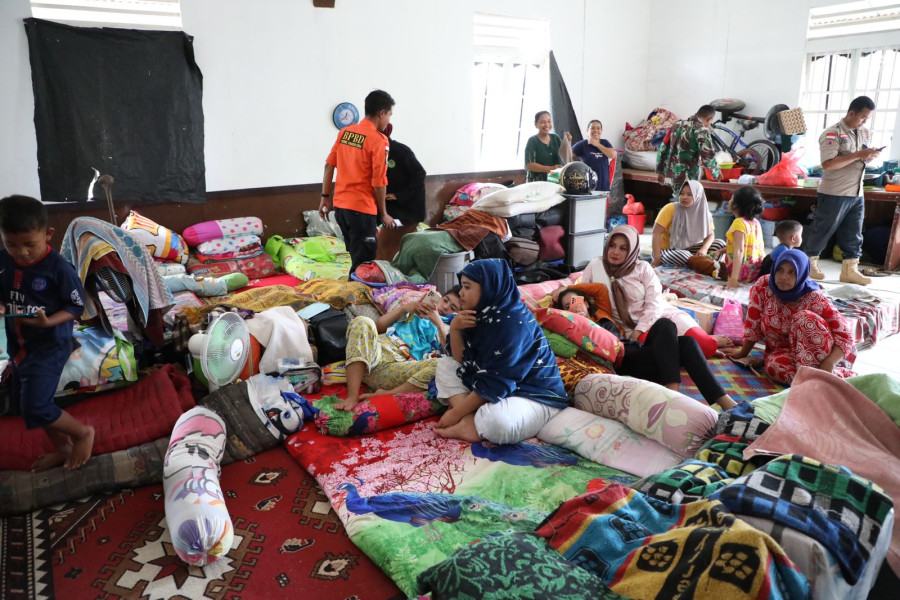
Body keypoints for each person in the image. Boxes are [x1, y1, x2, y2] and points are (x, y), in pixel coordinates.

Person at [0, 195, 94, 470]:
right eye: (11, 244)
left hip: (50, 344)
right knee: (29, 402)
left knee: (36, 407)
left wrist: (49, 322)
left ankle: (82, 434)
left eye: (30, 244)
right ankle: (62, 447)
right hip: (19, 344)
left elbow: (76, 306)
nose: (22, 252)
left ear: (48, 234)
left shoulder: (59, 268)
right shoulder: (4, 260)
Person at [433, 259, 569, 444]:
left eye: (467, 287)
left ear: (490, 287)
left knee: (497, 423)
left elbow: (496, 382)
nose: (461, 293)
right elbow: (460, 359)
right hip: (496, 389)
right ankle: (470, 419)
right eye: (461, 286)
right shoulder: (478, 313)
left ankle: (473, 422)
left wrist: (455, 412)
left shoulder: (512, 324)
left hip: (533, 396)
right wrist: (455, 329)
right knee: (445, 366)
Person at [555, 286, 737, 410]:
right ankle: (673, 395)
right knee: (665, 324)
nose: (574, 306)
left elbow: (598, 289)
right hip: (625, 361)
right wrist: (576, 319)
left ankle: (724, 402)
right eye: (567, 306)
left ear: (586, 302)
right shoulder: (574, 329)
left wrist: (564, 288)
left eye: (576, 301)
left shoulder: (602, 316)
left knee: (687, 342)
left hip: (641, 352)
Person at [580, 224, 731, 358]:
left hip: (658, 317)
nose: (615, 251)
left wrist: (639, 329)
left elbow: (654, 303)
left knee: (705, 346)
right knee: (669, 353)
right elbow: (582, 292)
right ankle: (700, 347)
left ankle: (709, 340)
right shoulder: (596, 265)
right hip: (626, 327)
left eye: (623, 248)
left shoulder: (642, 268)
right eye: (612, 245)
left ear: (632, 250)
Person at [724, 250, 855, 385]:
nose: (784, 277)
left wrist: (829, 363)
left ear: (802, 274)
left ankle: (825, 375)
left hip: (819, 353)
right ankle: (819, 381)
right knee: (773, 368)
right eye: (780, 270)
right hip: (784, 352)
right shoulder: (764, 286)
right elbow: (753, 324)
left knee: (804, 319)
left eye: (792, 272)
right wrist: (743, 353)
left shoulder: (814, 298)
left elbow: (845, 336)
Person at [336, 287, 462, 411]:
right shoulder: (415, 311)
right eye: (445, 300)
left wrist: (439, 323)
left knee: (444, 365)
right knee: (362, 321)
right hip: (372, 356)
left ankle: (388, 393)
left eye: (453, 308)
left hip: (396, 370)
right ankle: (352, 396)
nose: (446, 307)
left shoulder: (452, 329)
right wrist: (404, 308)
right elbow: (378, 326)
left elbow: (452, 353)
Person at [805, 96, 881, 285]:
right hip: (834, 191)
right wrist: (858, 155)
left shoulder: (863, 133)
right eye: (862, 117)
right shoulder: (832, 133)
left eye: (867, 119)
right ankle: (810, 264)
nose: (864, 122)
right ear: (851, 113)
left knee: (854, 232)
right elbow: (828, 164)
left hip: (856, 192)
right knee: (823, 229)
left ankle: (850, 269)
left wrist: (868, 156)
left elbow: (858, 159)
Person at [320, 90, 398, 276]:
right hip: (361, 211)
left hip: (341, 209)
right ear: (381, 113)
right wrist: (384, 213)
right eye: (389, 115)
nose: (388, 120)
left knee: (356, 257)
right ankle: (355, 300)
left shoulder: (345, 133)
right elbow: (379, 182)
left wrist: (325, 197)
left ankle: (353, 296)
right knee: (364, 266)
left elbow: (328, 167)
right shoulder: (379, 141)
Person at [377, 123, 426, 260]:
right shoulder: (379, 152)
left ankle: (386, 276)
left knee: (385, 245)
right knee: (398, 245)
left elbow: (420, 174)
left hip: (408, 209)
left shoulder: (400, 151)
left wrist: (400, 196)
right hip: (394, 208)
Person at [651, 180, 725, 267]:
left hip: (690, 250)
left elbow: (710, 235)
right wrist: (657, 259)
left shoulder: (704, 214)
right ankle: (706, 265)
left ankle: (700, 263)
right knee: (682, 255)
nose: (684, 197)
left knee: (720, 244)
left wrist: (704, 249)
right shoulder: (670, 209)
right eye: (682, 193)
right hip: (668, 251)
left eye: (689, 194)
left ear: (698, 196)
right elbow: (656, 233)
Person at [656, 105, 721, 193]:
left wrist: (660, 171)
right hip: (689, 177)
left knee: (678, 200)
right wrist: (716, 172)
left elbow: (663, 148)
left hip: (673, 176)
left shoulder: (676, 125)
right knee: (688, 202)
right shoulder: (702, 131)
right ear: (709, 119)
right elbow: (707, 156)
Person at [713, 186, 764, 289]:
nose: (729, 201)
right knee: (717, 246)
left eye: (731, 199)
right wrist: (720, 251)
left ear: (736, 205)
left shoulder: (738, 223)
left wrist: (733, 279)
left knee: (701, 264)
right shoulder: (755, 222)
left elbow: (739, 251)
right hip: (754, 272)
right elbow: (744, 246)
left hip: (741, 275)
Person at [524, 111, 572, 182]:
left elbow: (567, 157)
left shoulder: (555, 138)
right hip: (536, 185)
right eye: (543, 122)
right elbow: (529, 165)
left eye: (549, 121)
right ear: (536, 124)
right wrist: (550, 168)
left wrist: (568, 142)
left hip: (555, 182)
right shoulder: (532, 141)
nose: (547, 125)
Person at [572, 119, 616, 192]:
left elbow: (612, 154)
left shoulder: (605, 143)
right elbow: (568, 155)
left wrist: (597, 144)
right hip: (587, 187)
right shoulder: (582, 144)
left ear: (601, 131)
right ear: (587, 130)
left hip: (603, 187)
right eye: (592, 128)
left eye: (598, 128)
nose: (595, 130)